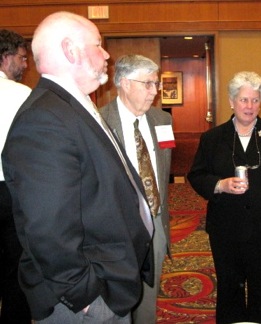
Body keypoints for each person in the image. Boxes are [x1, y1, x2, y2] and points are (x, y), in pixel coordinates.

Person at [1, 11, 154, 323]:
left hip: (105, 277)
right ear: (71, 50)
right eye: (98, 45)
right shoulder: (44, 119)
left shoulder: (73, 105)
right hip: (83, 302)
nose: (106, 54)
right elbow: (47, 229)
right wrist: (89, 299)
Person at [187, 71, 261, 323]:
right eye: (243, 100)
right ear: (231, 101)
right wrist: (220, 184)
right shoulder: (213, 138)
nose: (249, 106)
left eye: (255, 100)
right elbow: (196, 175)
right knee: (230, 289)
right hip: (226, 228)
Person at [100, 54, 173, 324]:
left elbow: (163, 170)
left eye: (156, 84)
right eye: (148, 84)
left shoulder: (163, 120)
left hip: (155, 223)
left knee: (148, 300)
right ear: (125, 83)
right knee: (117, 297)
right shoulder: (99, 121)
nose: (155, 92)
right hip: (116, 227)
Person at [0, 29, 32, 324]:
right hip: (10, 192)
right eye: (22, 58)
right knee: (15, 271)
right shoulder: (23, 96)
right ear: (6, 56)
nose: (26, 65)